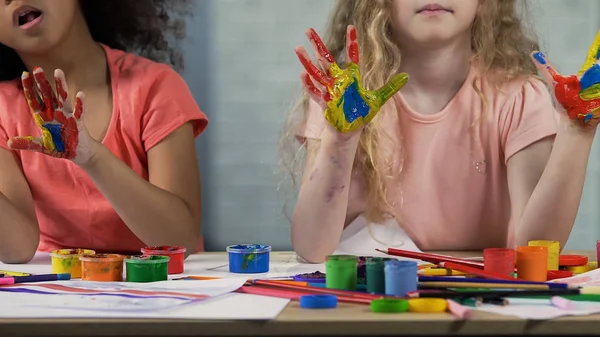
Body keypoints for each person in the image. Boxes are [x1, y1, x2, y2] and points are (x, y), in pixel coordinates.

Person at [281, 0, 599, 263]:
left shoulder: (519, 98)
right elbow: (312, 248)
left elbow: (535, 249)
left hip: (478, 297)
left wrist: (577, 132)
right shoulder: (345, 100)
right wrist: (341, 139)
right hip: (369, 298)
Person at [0, 0, 207, 263]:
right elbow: (17, 250)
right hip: (59, 290)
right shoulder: (2, 109)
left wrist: (92, 157)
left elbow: (179, 240)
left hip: (160, 286)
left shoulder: (156, 87)